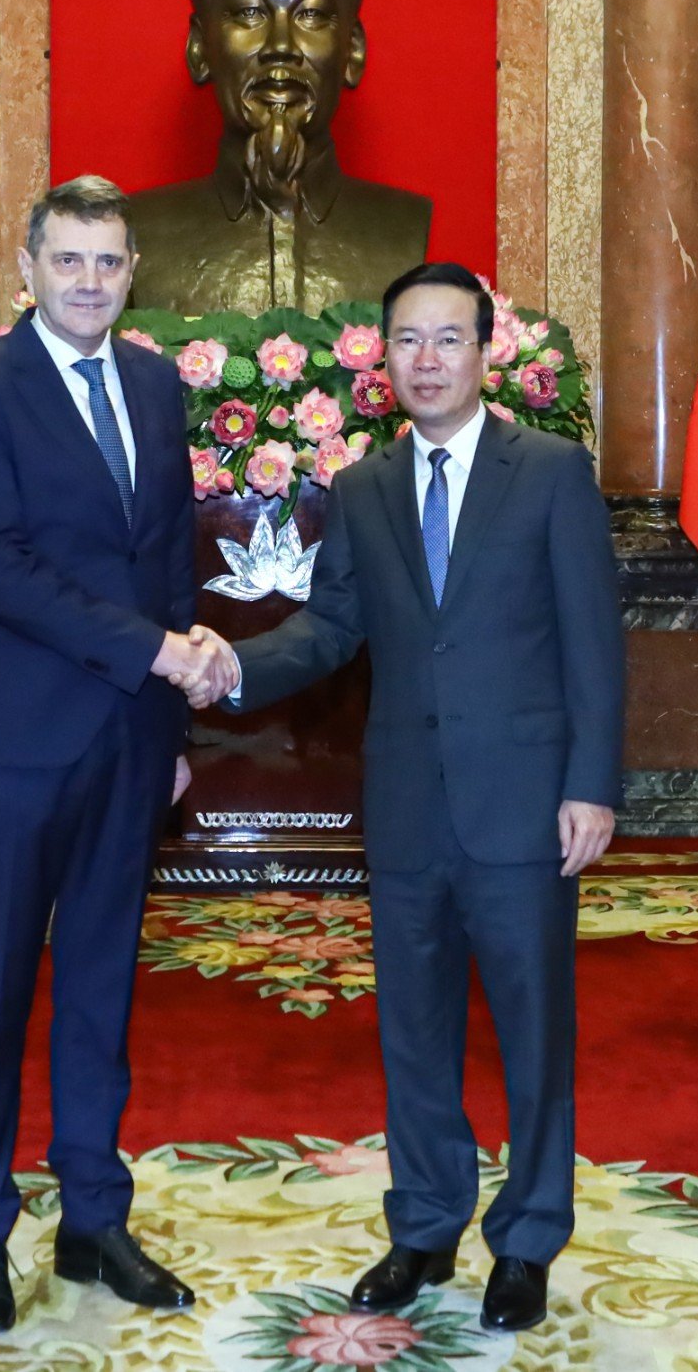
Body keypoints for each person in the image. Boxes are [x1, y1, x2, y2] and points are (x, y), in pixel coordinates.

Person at [182, 261, 624, 1334]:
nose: (427, 360)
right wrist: (228, 664)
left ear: (485, 353)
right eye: (408, 341)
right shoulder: (365, 487)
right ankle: (424, 1225)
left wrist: (591, 785)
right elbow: (332, 627)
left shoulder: (551, 471)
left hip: (524, 802)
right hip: (408, 809)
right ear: (383, 360)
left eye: (448, 339)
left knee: (533, 1033)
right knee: (415, 1031)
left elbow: (593, 641)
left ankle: (527, 1238)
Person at [0, 175, 224, 1334]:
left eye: (107, 262)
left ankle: (95, 1219)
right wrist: (156, 651)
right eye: (68, 260)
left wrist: (176, 721)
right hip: (14, 738)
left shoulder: (152, 382)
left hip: (131, 734)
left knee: (102, 985)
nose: (89, 282)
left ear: (131, 271)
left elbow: (166, 553)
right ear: (28, 268)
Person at [126, 0, 430, 315]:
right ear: (199, 48)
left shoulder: (402, 229)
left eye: (311, 14)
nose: (281, 46)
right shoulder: (137, 232)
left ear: (353, 51)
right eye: (250, 12)